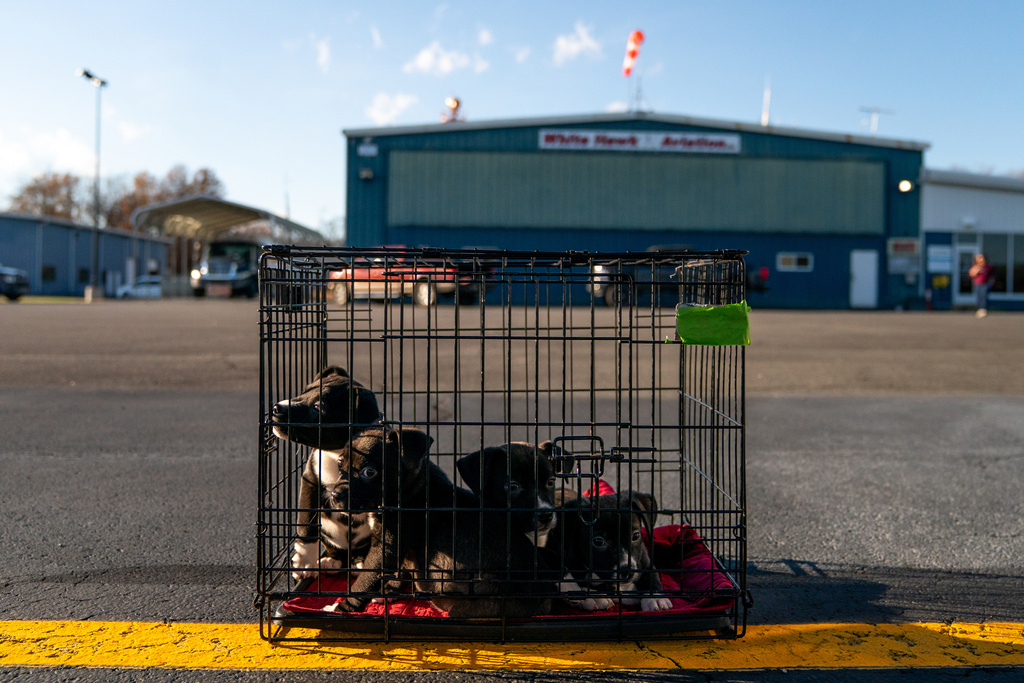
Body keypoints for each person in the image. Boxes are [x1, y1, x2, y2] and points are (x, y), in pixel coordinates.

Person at [968, 253, 994, 318]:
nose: (981, 260)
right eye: (979, 259)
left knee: (984, 297)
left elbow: (992, 276)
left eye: (982, 258)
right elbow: (971, 274)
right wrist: (977, 270)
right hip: (977, 284)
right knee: (979, 297)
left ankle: (983, 310)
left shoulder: (988, 267)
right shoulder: (975, 267)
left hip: (985, 284)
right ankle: (979, 309)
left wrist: (991, 283)